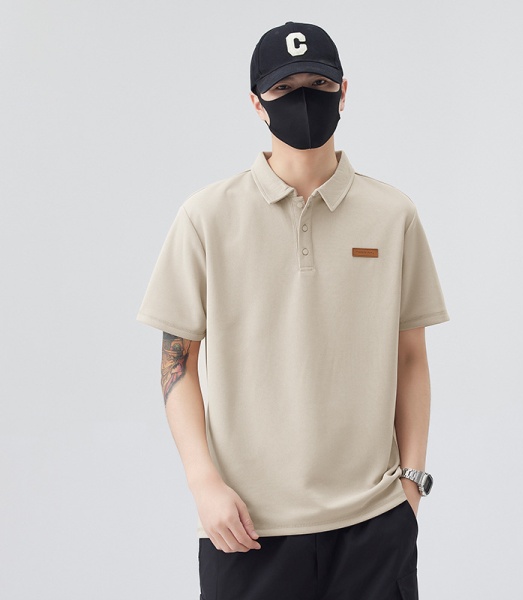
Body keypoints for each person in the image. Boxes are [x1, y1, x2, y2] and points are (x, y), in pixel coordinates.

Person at [136, 20, 449, 600]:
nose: (303, 100)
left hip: (373, 522)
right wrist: (203, 483)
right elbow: (177, 361)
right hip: (246, 527)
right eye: (284, 88)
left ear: (344, 92)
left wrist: (410, 485)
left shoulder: (393, 215)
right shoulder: (206, 217)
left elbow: (411, 358)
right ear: (257, 103)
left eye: (319, 84)